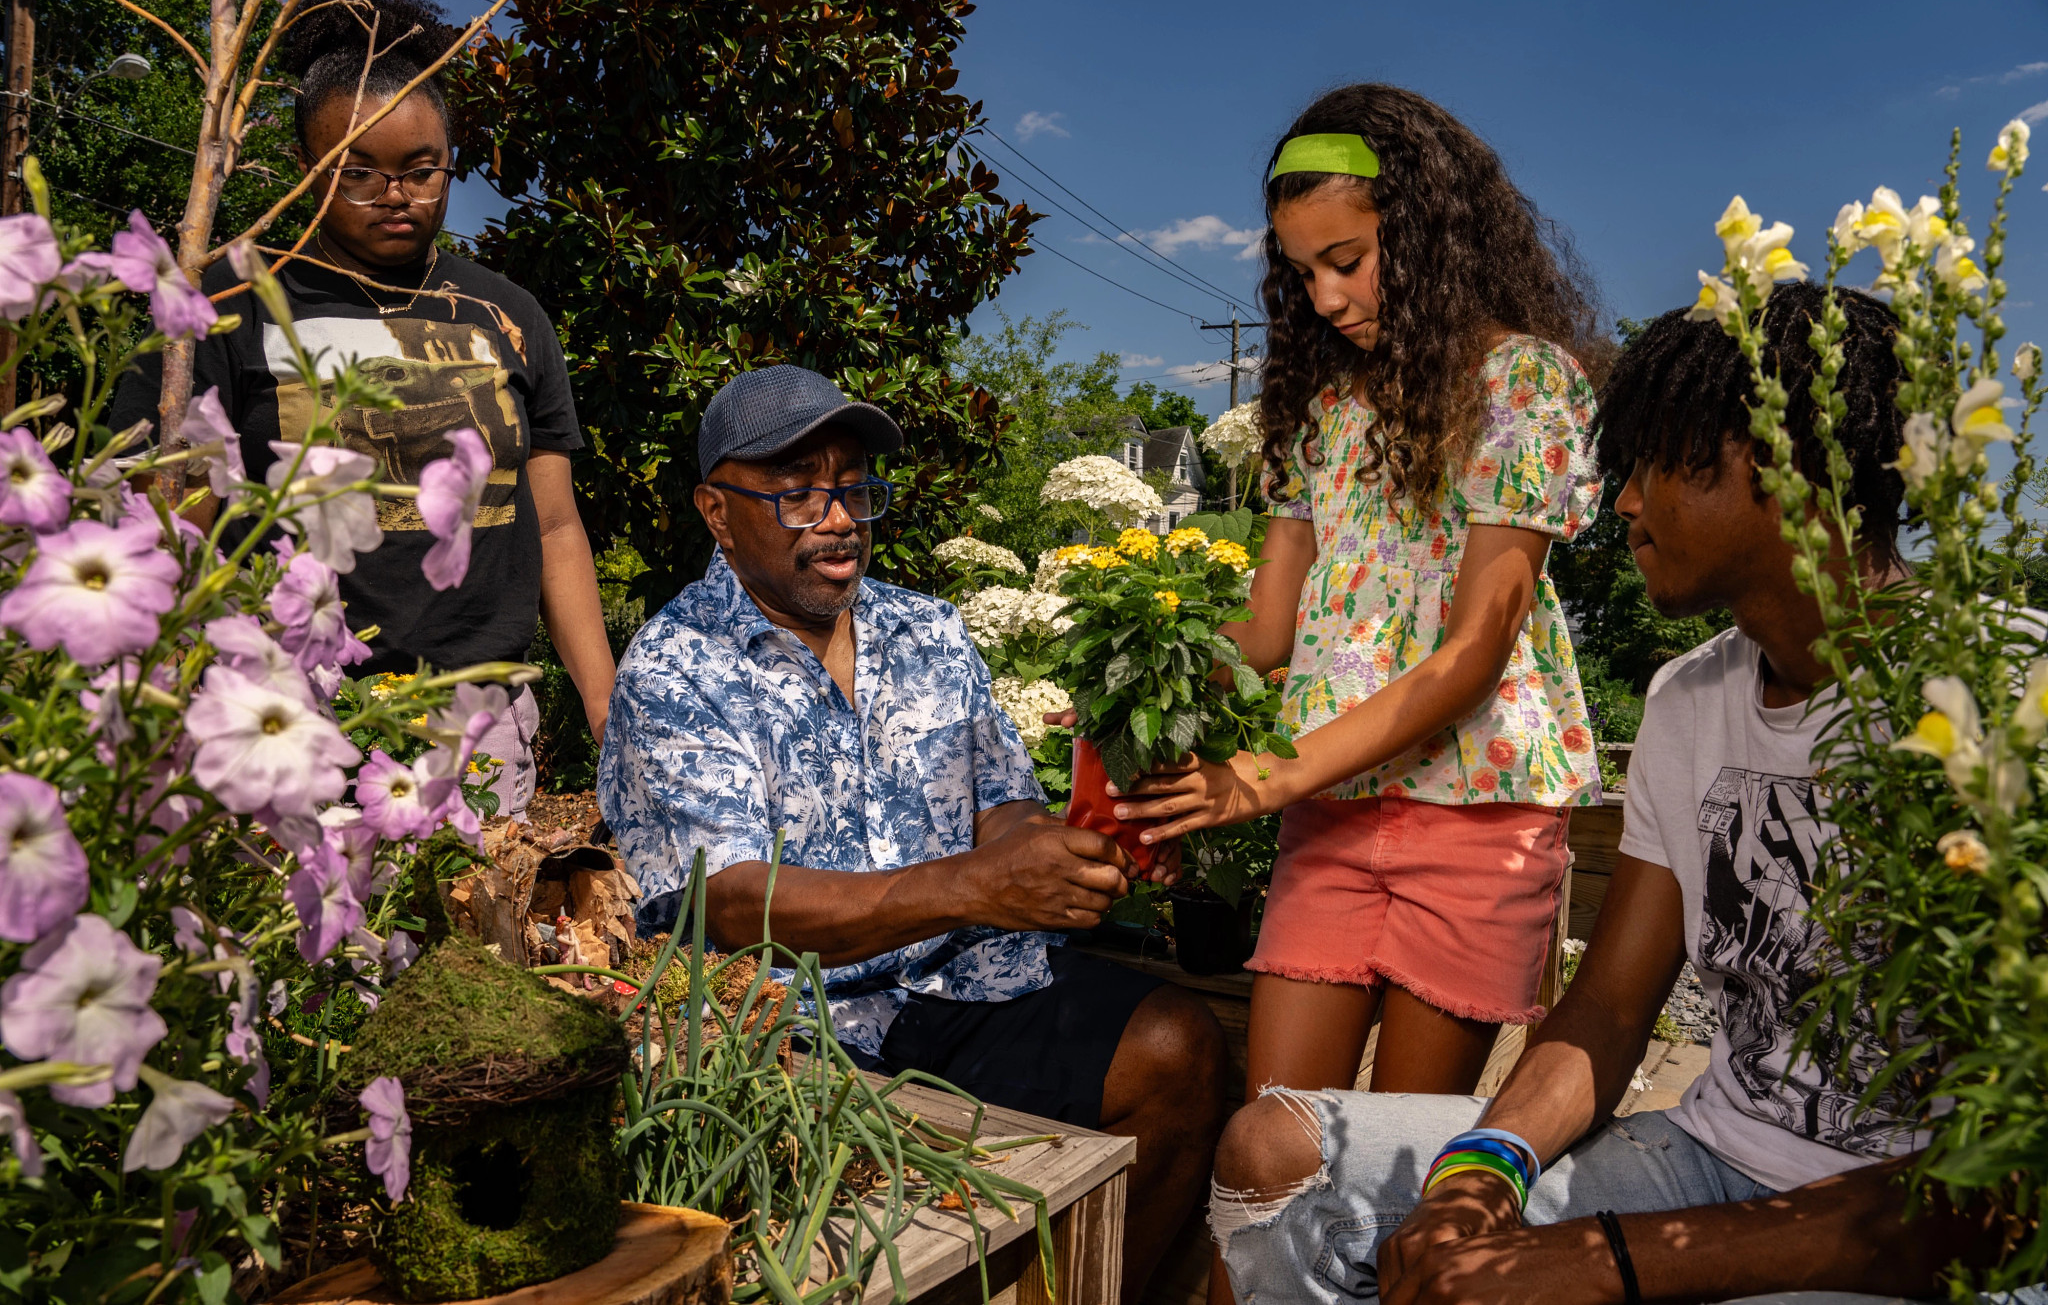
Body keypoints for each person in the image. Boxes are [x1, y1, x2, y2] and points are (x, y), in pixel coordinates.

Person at [1206, 285, 2048, 1305]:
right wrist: (1480, 1179)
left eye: (1654, 462)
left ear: (1776, 464)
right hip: (1705, 1158)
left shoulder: (2009, 693)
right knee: (1277, 1158)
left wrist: (1603, 1261)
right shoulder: (1689, 699)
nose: (1624, 503)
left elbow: (2013, 1184)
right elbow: (1606, 1009)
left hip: (1911, 1231)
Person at [597, 365, 1229, 1305]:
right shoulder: (675, 664)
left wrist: (1067, 856)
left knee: (1178, 1048)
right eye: (799, 492)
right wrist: (978, 885)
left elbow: (1004, 806)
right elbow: (730, 900)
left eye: (854, 487)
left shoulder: (926, 629)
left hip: (958, 985)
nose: (840, 519)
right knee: (871, 1218)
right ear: (717, 513)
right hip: (793, 1032)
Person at [1120, 84, 1609, 1108]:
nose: (1327, 299)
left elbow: (1472, 654)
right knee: (1269, 1151)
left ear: (1427, 236)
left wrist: (1257, 778)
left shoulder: (1524, 384)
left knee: (1395, 1163)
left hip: (1476, 818)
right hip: (1331, 814)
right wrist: (1138, 684)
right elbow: (1266, 630)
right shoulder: (1317, 411)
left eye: (1346, 260)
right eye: (1303, 274)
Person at [110, 0, 614, 816]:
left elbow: (555, 526)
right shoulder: (229, 300)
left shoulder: (508, 315)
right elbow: (170, 509)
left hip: (474, 719)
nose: (395, 194)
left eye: (421, 170)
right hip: (288, 706)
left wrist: (604, 706)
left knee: (474, 903)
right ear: (306, 169)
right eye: (358, 173)